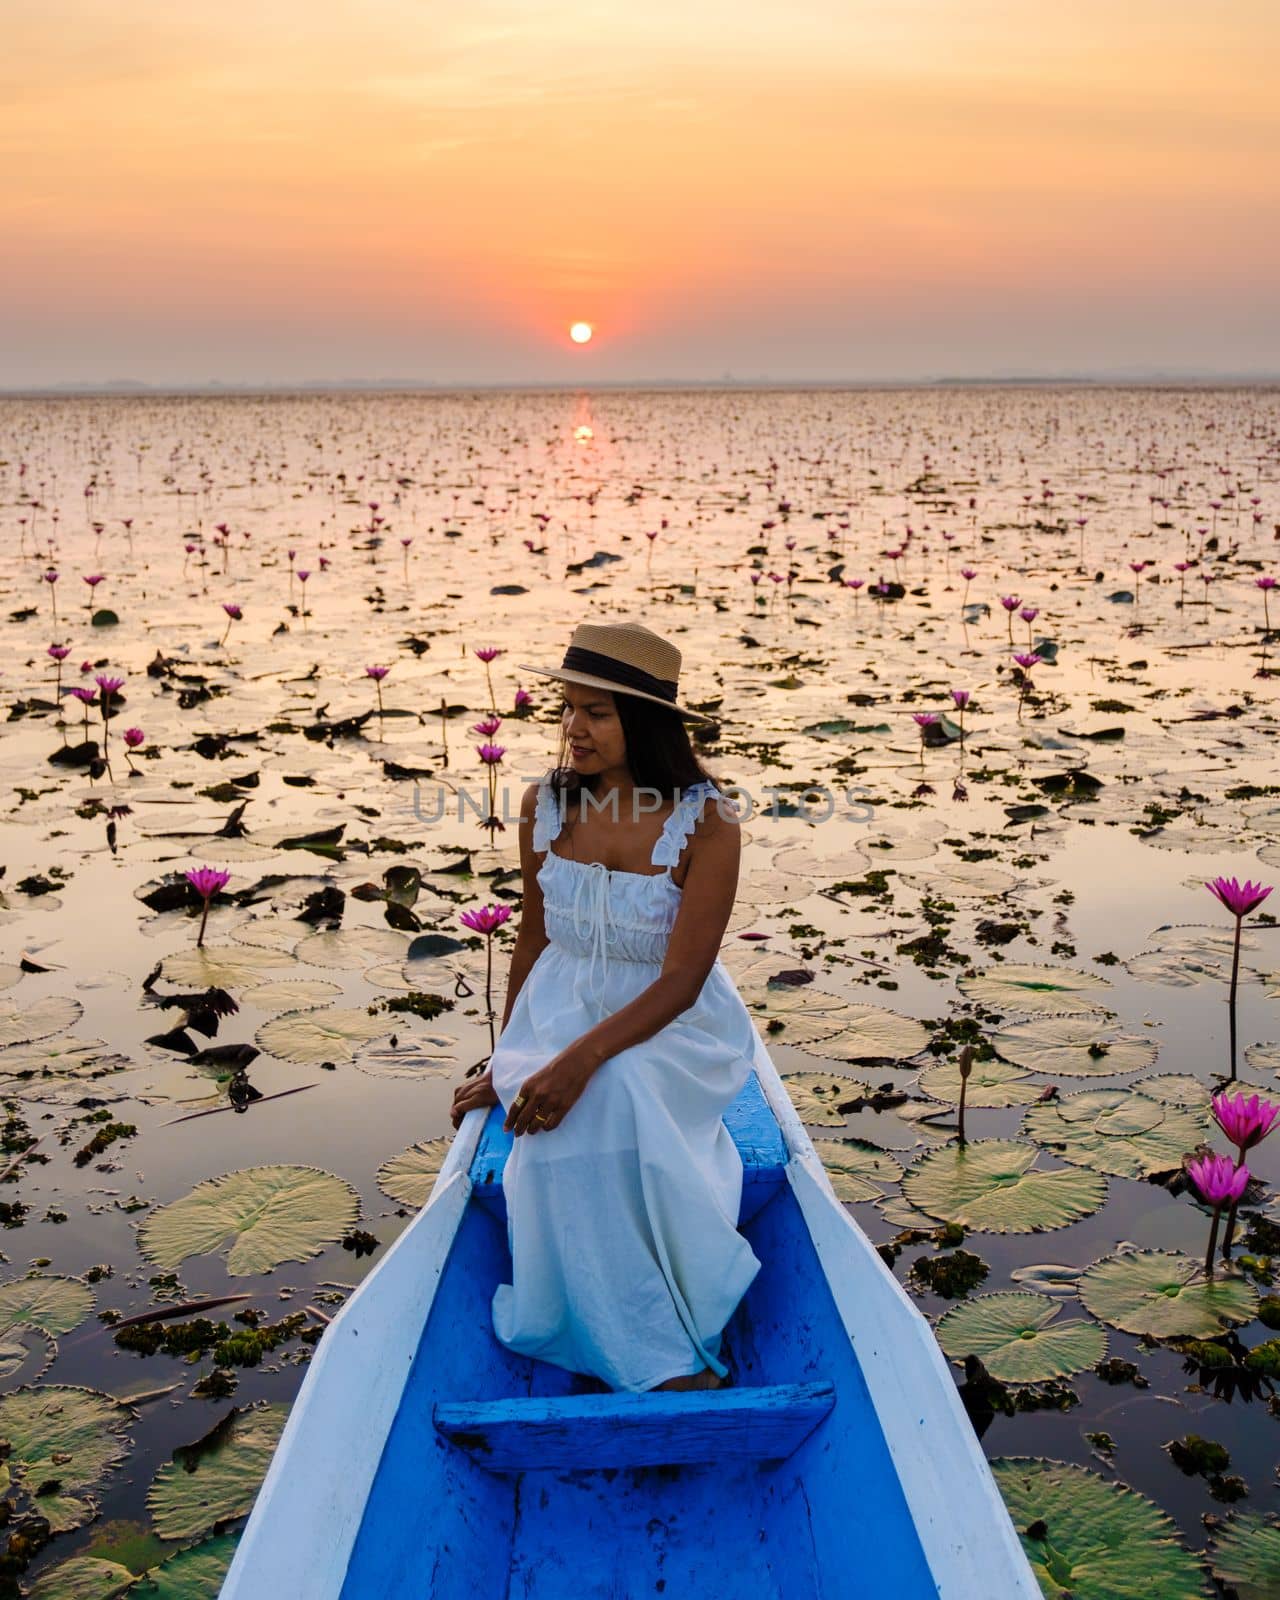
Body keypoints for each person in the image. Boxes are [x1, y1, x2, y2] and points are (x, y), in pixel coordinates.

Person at [449, 617, 765, 1394]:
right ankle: (595, 1323)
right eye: (569, 708)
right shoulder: (545, 805)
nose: (572, 728)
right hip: (558, 1012)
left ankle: (662, 1353)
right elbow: (532, 939)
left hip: (671, 1025)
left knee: (610, 1093)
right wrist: (510, 1059)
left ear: (646, 722)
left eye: (597, 712)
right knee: (556, 1113)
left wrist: (578, 1062)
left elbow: (683, 981)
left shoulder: (708, 821)